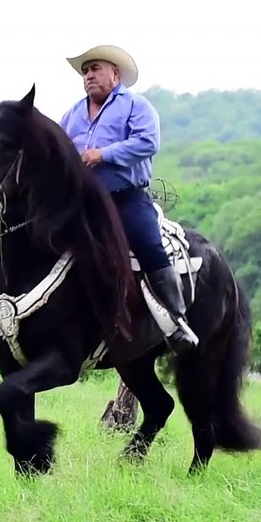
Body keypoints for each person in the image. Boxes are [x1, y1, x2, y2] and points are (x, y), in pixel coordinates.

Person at [58, 44, 198, 352]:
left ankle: (177, 321)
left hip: (125, 199)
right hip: (82, 204)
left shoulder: (137, 106)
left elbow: (147, 142)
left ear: (115, 73)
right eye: (85, 71)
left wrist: (103, 154)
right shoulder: (72, 114)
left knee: (149, 246)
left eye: (95, 69)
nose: (89, 76)